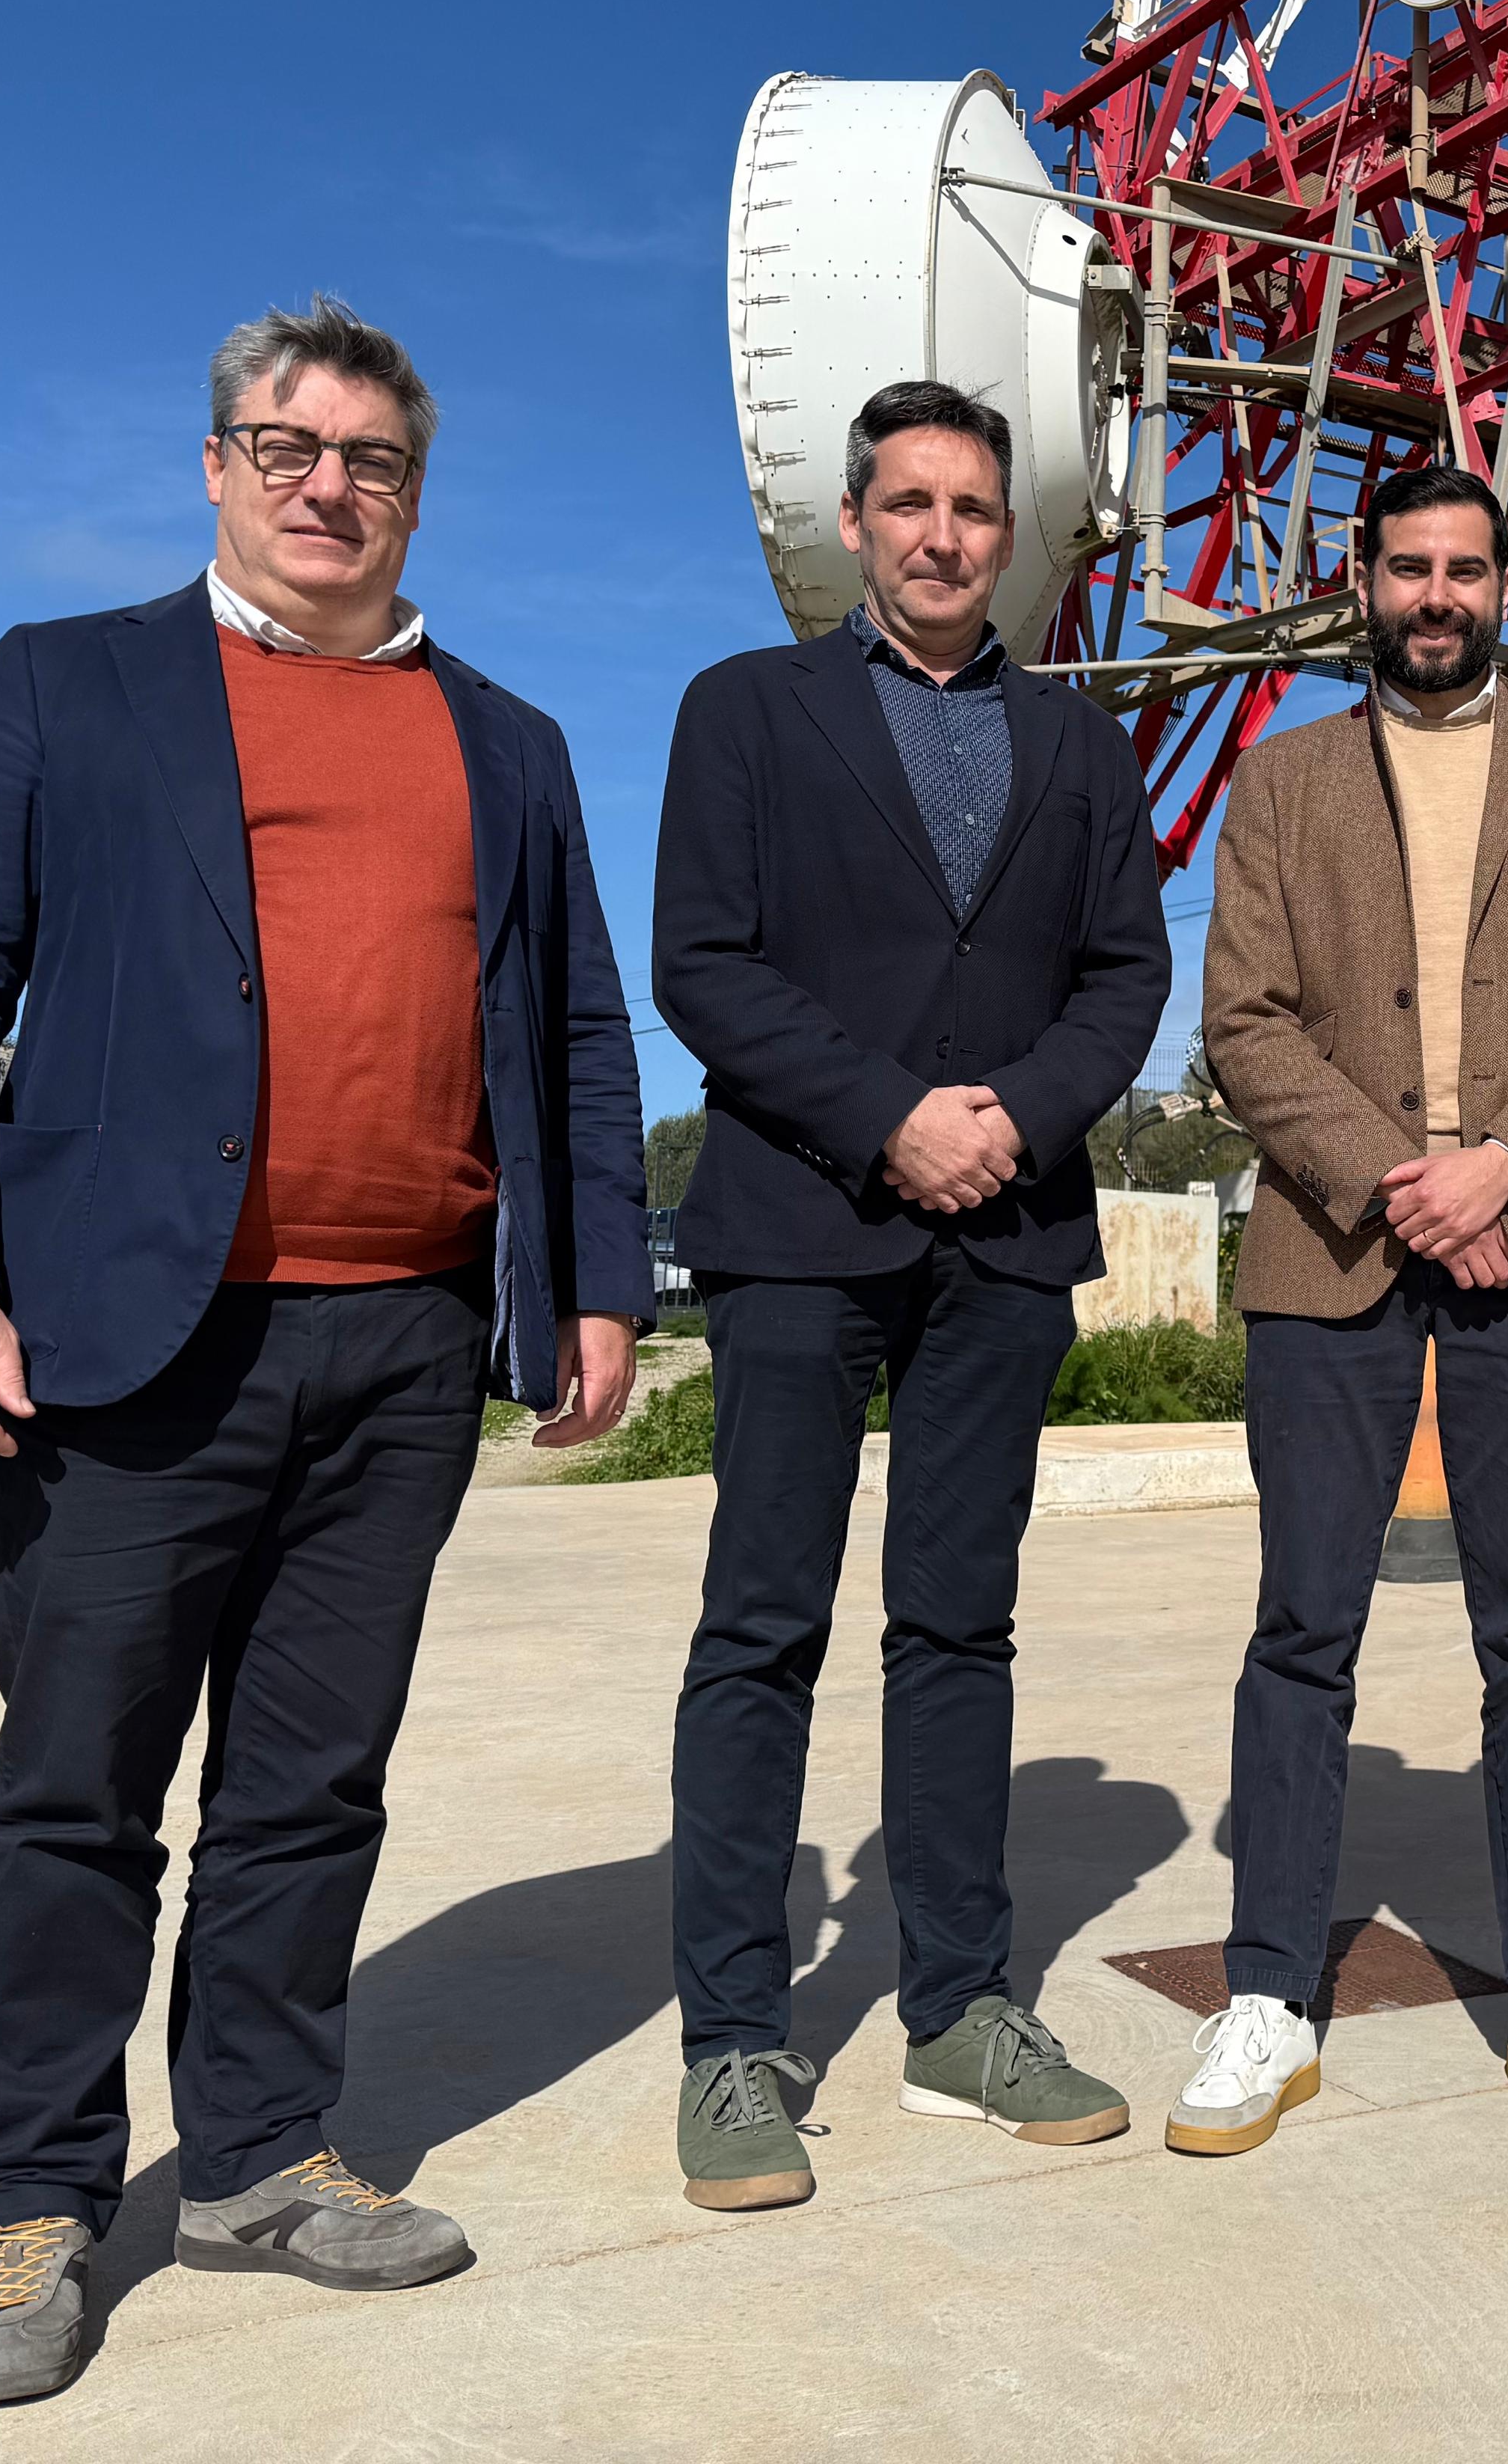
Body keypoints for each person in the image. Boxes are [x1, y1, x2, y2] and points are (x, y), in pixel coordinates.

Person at [0, 296, 651, 2407]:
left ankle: (265, 2152)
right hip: (132, 1348)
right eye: (287, 448)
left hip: (399, 1345)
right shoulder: (66, 688)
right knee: (76, 1793)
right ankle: (34, 2194)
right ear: (215, 466)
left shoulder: (511, 743)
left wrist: (597, 1283)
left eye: (373, 461)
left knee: (311, 1789)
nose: (330, 488)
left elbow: (576, 1035)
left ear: (415, 493)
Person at [650, 379, 1168, 2203]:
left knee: (959, 1628)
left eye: (975, 510)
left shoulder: (1077, 744)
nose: (945, 536)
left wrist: (1009, 1121)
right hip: (801, 1229)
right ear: (853, 524)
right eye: (912, 504)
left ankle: (959, 2007)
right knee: (762, 1626)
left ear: (1007, 541)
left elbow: (1124, 980)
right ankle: (731, 2042)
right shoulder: (746, 713)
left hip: (1007, 1240)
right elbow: (702, 965)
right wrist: (887, 1122)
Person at [1169, 460, 1508, 2156]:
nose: (1437, 595)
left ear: (1502, 585)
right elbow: (1244, 1020)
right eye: (1408, 569)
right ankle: (1266, 1994)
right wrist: (1406, 1177)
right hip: (1338, 1250)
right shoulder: (1284, 781)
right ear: (1362, 584)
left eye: (1465, 568)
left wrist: (1503, 1165)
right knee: (1303, 1627)